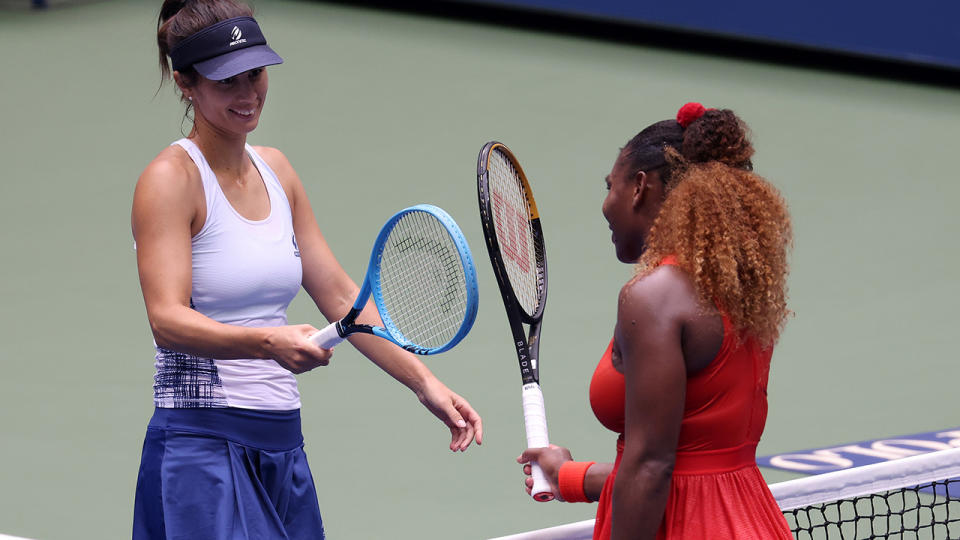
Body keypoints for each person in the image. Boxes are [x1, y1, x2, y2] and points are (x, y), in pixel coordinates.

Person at [131, 1, 482, 538]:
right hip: (201, 448)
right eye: (227, 81)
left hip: (281, 443)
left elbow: (343, 297)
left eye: (255, 74)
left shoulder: (277, 170)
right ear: (186, 83)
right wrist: (269, 343)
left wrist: (424, 382)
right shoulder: (169, 180)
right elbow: (167, 319)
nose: (247, 94)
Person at [518, 103, 793, 539]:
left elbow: (652, 467)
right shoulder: (740, 287)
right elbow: (690, 468)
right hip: (751, 521)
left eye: (611, 185)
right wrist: (571, 475)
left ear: (639, 187)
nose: (606, 203)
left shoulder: (653, 297)